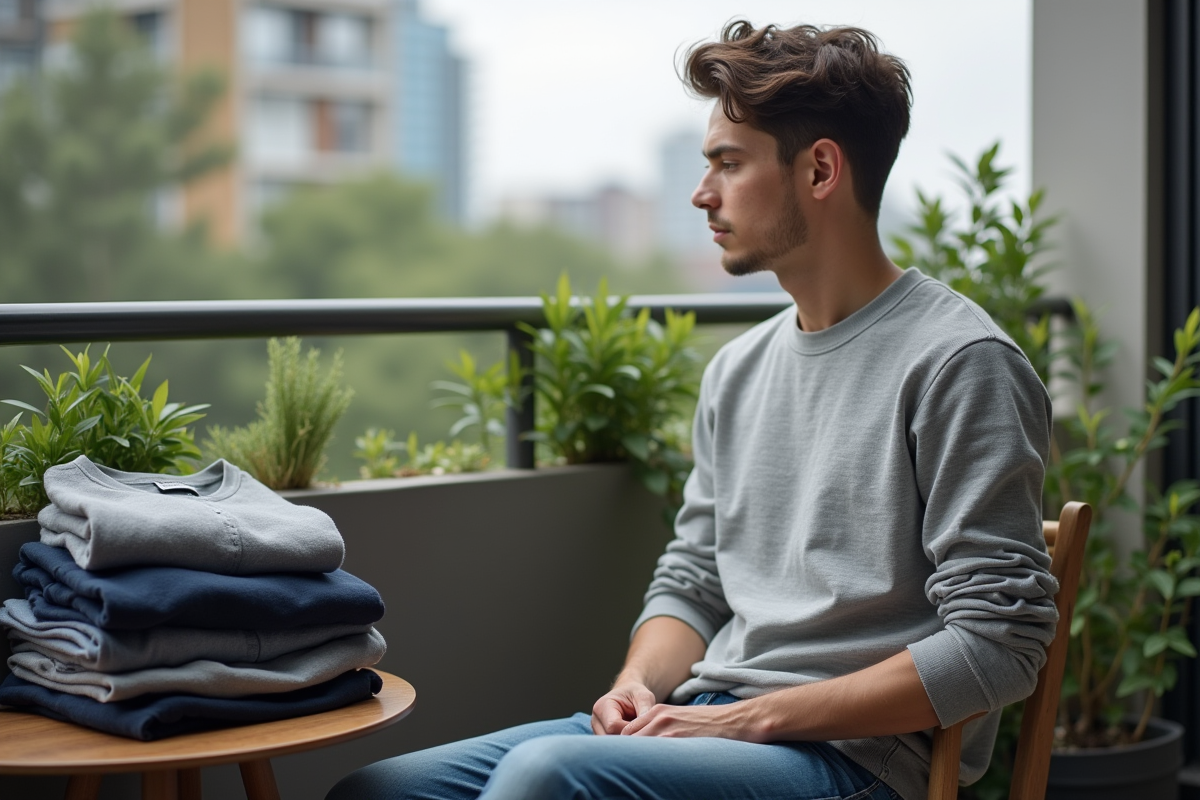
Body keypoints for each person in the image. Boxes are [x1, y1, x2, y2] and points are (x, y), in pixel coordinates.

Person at [328, 20, 1058, 800]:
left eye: (728, 164)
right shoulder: (738, 369)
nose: (701, 192)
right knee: (381, 792)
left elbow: (998, 645)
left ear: (819, 170)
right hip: (704, 718)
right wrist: (638, 684)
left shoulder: (960, 363)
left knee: (546, 779)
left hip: (853, 760)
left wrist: (752, 720)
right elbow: (697, 578)